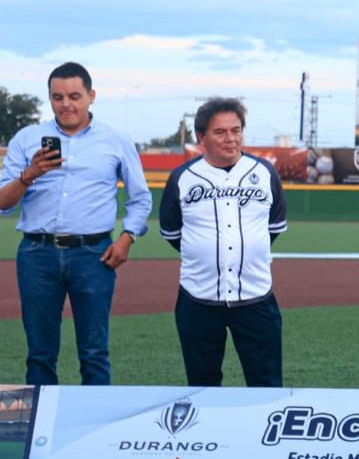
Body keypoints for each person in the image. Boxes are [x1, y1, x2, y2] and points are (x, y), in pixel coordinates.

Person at [0, 62, 151, 385]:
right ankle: (41, 431)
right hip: (37, 253)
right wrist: (30, 174)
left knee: (94, 351)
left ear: (90, 96)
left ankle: (95, 429)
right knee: (39, 353)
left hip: (93, 253)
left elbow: (141, 198)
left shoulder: (116, 140)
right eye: (57, 97)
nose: (66, 104)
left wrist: (126, 238)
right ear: (50, 98)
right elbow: (3, 202)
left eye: (74, 96)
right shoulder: (27, 139)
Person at [158, 98, 286, 387]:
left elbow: (273, 228)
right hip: (198, 298)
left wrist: (245, 250)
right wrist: (206, 252)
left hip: (255, 297)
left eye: (236, 130)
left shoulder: (265, 174)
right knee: (202, 385)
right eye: (221, 132)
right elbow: (172, 233)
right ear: (201, 137)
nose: (231, 139)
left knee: (266, 383)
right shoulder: (182, 178)